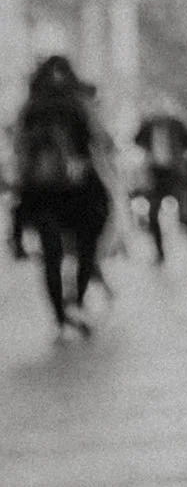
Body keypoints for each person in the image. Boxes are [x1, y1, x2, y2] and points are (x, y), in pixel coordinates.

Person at [13, 55, 113, 336]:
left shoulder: (31, 108)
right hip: (78, 189)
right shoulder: (75, 105)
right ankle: (76, 304)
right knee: (84, 248)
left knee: (51, 255)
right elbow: (97, 143)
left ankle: (59, 316)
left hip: (40, 191)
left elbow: (20, 152)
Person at [133, 103, 187, 258]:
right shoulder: (148, 126)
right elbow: (137, 140)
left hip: (174, 172)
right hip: (155, 173)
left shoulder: (176, 125)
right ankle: (159, 250)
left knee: (185, 211)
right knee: (153, 213)